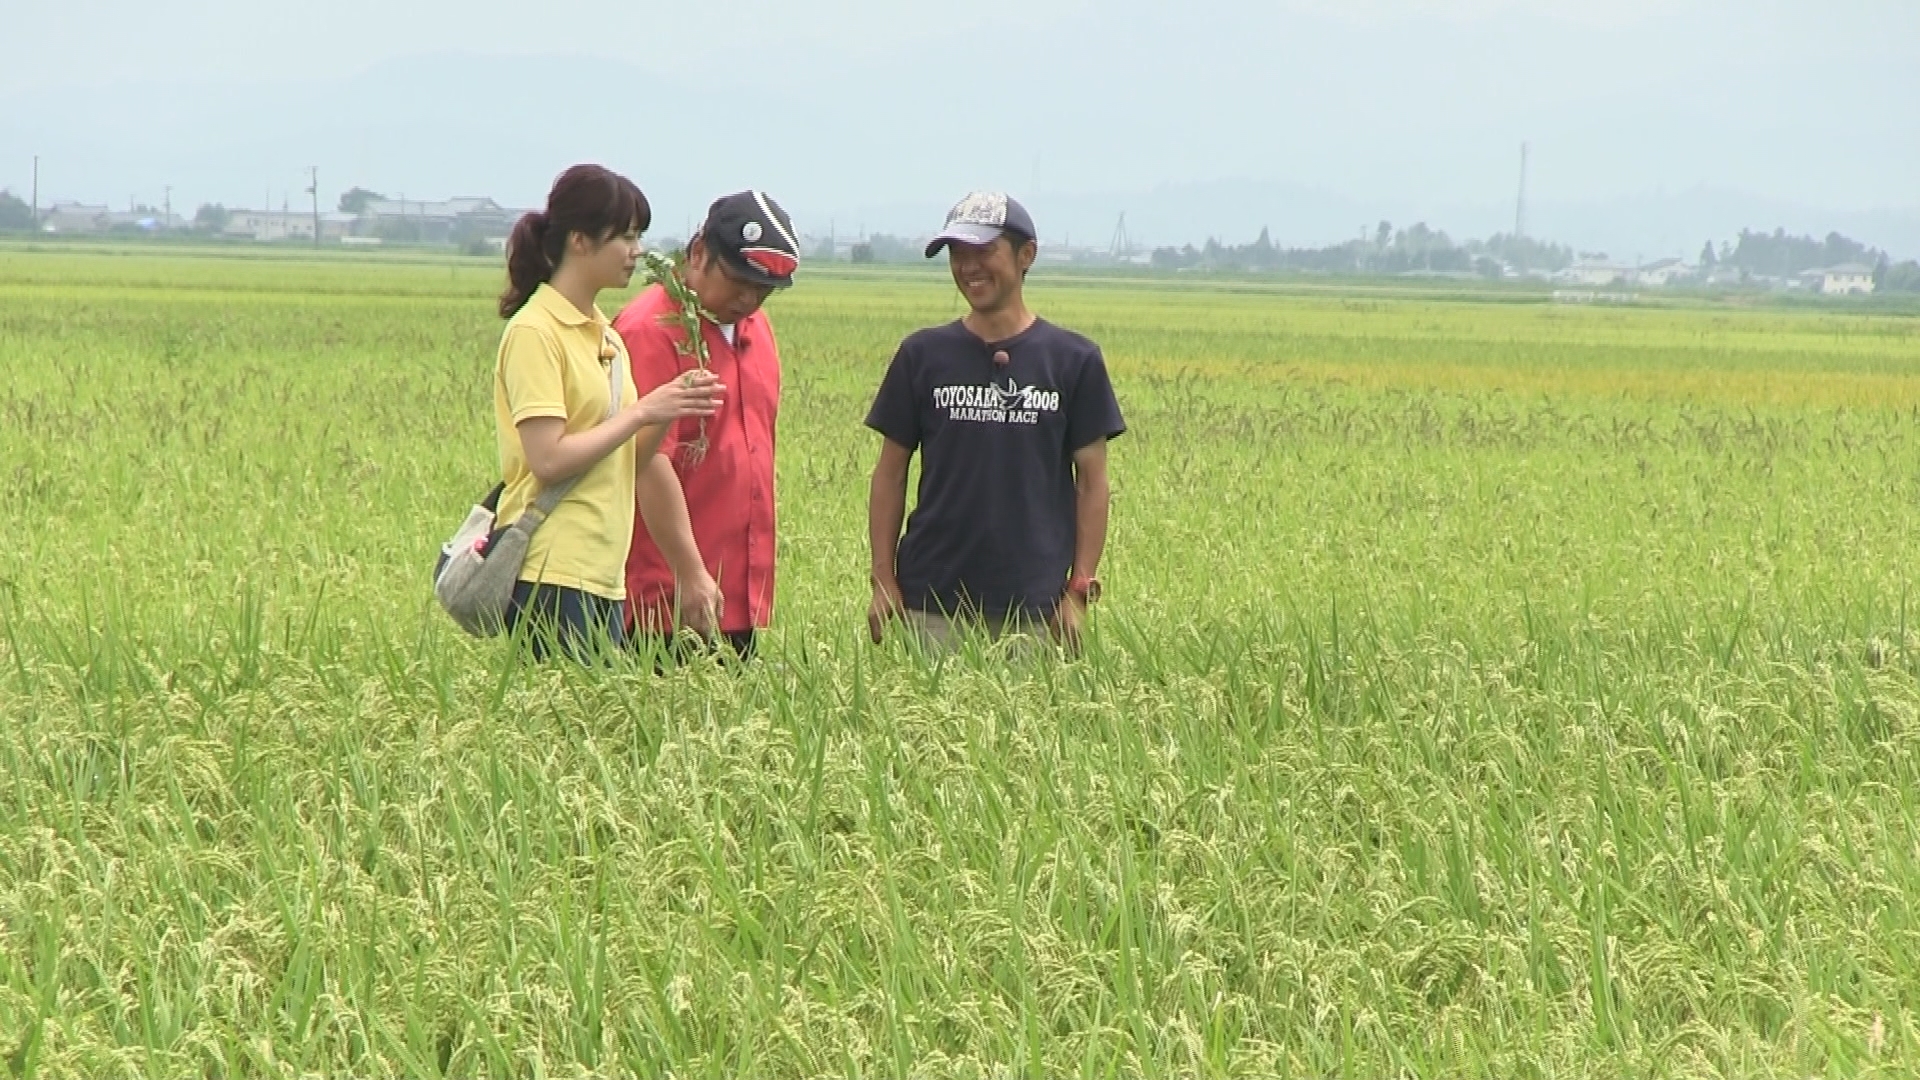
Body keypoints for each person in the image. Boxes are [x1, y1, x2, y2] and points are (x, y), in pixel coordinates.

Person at [865, 191, 1125, 654]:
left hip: (1038, 608)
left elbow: (1093, 481)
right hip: (930, 604)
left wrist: (1079, 589)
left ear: (1026, 255)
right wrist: (883, 579)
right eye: (958, 254)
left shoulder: (1073, 360)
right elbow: (890, 472)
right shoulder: (922, 355)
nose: (969, 267)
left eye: (984, 252)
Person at [492, 164, 724, 659]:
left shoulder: (605, 335)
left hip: (603, 573)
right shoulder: (536, 331)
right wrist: (643, 412)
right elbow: (548, 459)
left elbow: (630, 461)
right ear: (579, 240)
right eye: (625, 236)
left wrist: (667, 406)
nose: (636, 251)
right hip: (550, 570)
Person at [615, 190, 800, 662]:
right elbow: (646, 463)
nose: (749, 300)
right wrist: (690, 573)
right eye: (738, 282)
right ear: (698, 253)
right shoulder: (650, 329)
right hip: (666, 597)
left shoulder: (757, 331)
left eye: (763, 290)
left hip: (737, 590)